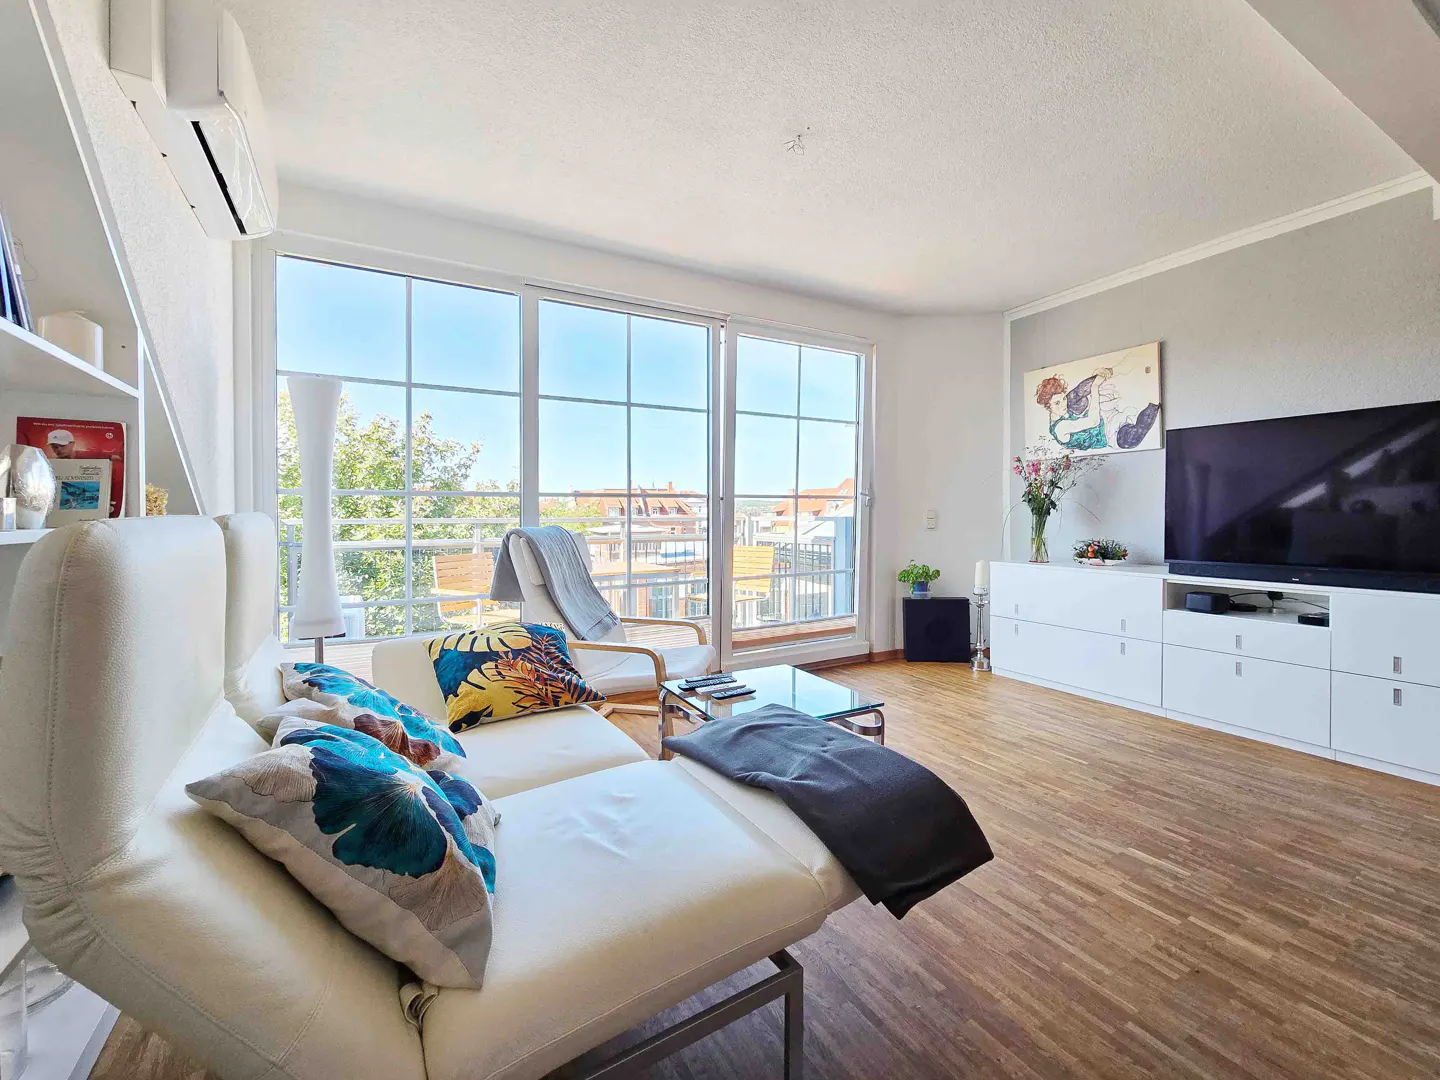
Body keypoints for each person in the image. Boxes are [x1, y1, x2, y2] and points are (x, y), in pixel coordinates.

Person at [1035, 368, 1112, 451]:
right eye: (1057, 403)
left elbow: (1079, 389)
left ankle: (1102, 374)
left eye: (1064, 398)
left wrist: (1096, 378)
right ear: (1048, 406)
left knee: (1074, 396)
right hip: (1105, 434)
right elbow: (1094, 421)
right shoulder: (1061, 427)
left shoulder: (1057, 412)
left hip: (1094, 418)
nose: (1063, 404)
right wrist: (1095, 386)